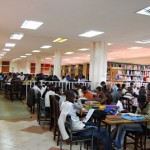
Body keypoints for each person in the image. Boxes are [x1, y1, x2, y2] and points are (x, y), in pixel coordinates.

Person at [113, 83, 150, 150]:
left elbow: (148, 117)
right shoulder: (140, 103)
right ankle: (115, 142)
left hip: (145, 126)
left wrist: (139, 116)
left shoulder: (148, 104)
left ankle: (117, 146)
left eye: (148, 95)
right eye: (147, 94)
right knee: (121, 124)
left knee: (123, 126)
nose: (148, 96)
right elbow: (136, 113)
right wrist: (132, 115)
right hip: (139, 123)